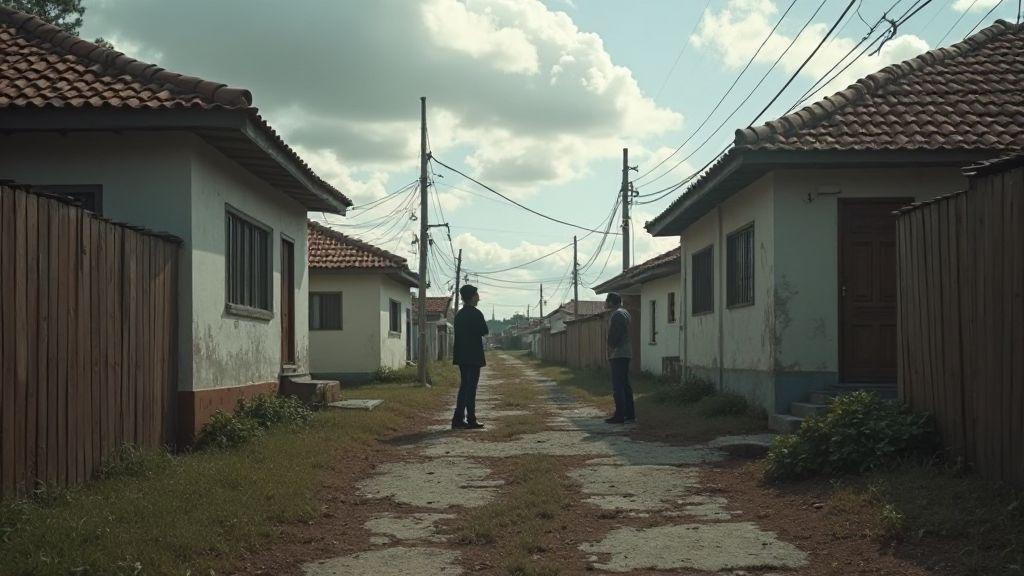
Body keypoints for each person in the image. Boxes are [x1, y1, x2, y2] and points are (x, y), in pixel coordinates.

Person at [452, 284, 489, 430]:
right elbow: (484, 331)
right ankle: (470, 419)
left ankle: (458, 418)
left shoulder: (459, 315)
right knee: (471, 388)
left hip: (461, 355)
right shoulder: (476, 313)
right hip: (473, 355)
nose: (479, 297)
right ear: (472, 297)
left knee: (464, 387)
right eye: (477, 294)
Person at [604, 292, 635, 424]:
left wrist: (611, 346)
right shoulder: (625, 312)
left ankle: (620, 415)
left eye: (606, 300)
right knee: (625, 384)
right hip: (625, 352)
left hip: (619, 353)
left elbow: (615, 334)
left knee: (618, 386)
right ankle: (630, 414)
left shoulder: (617, 315)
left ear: (611, 302)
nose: (605, 302)